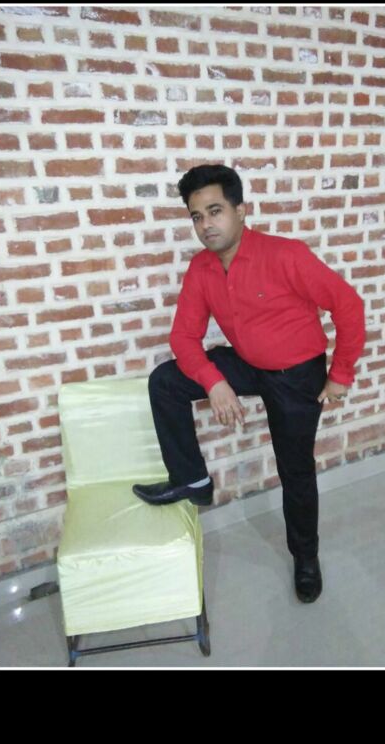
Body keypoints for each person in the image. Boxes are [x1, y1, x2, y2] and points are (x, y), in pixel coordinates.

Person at [133, 165, 366, 603]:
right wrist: (214, 382)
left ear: (240, 211)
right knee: (166, 381)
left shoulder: (286, 255)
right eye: (197, 216)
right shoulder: (202, 268)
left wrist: (340, 374)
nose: (206, 224)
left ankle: (305, 557)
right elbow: (183, 337)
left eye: (215, 211)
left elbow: (348, 305)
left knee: (295, 469)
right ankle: (191, 480)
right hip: (246, 360)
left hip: (296, 373)